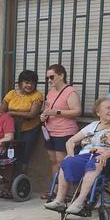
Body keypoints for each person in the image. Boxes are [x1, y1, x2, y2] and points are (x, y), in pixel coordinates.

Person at [44, 97, 110, 215]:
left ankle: (79, 202)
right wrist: (70, 154)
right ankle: (59, 200)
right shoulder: (93, 125)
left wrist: (106, 154)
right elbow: (71, 141)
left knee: (94, 163)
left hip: (105, 157)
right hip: (85, 155)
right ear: (98, 112)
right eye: (108, 108)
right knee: (66, 162)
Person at [39, 64, 80, 199]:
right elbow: (47, 109)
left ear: (61, 75)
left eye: (52, 77)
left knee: (62, 161)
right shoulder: (50, 93)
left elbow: (77, 111)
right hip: (50, 131)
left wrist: (56, 112)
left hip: (65, 131)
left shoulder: (70, 91)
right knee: (53, 160)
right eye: (47, 78)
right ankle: (55, 189)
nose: (49, 80)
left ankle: (64, 192)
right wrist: (44, 115)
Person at [2, 70, 44, 179]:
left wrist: (11, 113)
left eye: (32, 83)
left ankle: (20, 182)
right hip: (11, 129)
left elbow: (32, 114)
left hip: (29, 129)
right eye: (26, 82)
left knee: (24, 155)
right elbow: (2, 111)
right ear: (20, 82)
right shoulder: (11, 94)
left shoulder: (37, 96)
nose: (29, 85)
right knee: (10, 154)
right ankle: (7, 182)